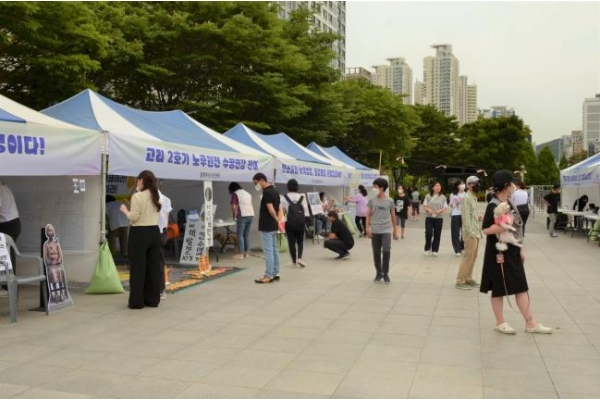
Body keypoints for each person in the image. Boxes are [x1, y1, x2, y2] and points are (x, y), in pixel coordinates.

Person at [480, 170, 552, 335]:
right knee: (498, 287)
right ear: (506, 185)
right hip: (498, 251)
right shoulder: (493, 205)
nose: (513, 186)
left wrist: (520, 248)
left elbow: (517, 229)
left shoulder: (509, 202)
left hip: (512, 249)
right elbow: (485, 229)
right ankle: (500, 322)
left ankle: (530, 322)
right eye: (511, 183)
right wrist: (503, 226)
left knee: (521, 286)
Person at [120, 170, 163, 309]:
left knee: (138, 268)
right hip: (154, 231)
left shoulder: (137, 196)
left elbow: (133, 217)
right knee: (153, 267)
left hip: (139, 232)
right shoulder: (156, 195)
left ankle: (137, 301)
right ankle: (152, 299)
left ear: (142, 180)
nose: (137, 183)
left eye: (137, 180)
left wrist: (124, 210)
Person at [366, 177, 399, 283]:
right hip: (375, 230)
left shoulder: (390, 201)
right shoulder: (372, 200)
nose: (373, 188)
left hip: (386, 230)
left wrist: (395, 230)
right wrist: (367, 228)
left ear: (382, 188)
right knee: (376, 253)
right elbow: (368, 215)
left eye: (375, 186)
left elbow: (393, 216)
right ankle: (378, 272)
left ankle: (385, 272)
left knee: (386, 251)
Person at [252, 172, 281, 284]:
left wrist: (276, 219)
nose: (256, 185)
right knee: (274, 250)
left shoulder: (267, 192)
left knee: (268, 252)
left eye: (256, 183)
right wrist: (278, 221)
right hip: (273, 226)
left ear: (261, 180)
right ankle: (275, 272)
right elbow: (279, 208)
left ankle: (269, 275)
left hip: (266, 226)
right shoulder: (275, 191)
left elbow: (271, 210)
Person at [455, 176, 483, 290]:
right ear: (468, 185)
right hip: (470, 233)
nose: (477, 185)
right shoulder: (466, 198)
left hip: (476, 231)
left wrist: (478, 216)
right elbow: (465, 218)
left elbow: (472, 214)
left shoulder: (473, 197)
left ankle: (468, 277)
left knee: (473, 256)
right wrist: (470, 233)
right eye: (475, 183)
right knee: (468, 256)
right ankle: (460, 280)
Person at [281, 178, 309, 268]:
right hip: (300, 222)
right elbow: (306, 212)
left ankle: (294, 262)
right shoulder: (302, 197)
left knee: (291, 242)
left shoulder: (284, 197)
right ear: (297, 186)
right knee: (300, 241)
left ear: (288, 187)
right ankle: (300, 258)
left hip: (289, 223)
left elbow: (283, 211)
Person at [228, 182, 254, 260]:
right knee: (246, 234)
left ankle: (241, 254)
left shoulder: (235, 194)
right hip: (251, 214)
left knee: (240, 235)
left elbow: (233, 205)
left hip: (242, 215)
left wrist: (234, 215)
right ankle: (247, 253)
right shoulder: (247, 193)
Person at [0, 181, 21, 276]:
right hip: (13, 223)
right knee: (9, 253)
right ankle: (11, 280)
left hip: (7, 225)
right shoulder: (4, 187)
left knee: (5, 254)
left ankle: (7, 280)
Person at [423, 181, 448, 256]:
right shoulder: (428, 196)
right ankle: (427, 248)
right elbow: (424, 205)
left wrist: (439, 211)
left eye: (439, 186)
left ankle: (435, 250)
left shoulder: (443, 197)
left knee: (437, 234)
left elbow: (445, 207)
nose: (438, 187)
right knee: (429, 233)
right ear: (432, 187)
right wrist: (429, 210)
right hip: (429, 217)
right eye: (436, 186)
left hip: (439, 218)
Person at [43, 224, 66, 302]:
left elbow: (60, 253)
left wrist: (59, 259)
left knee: (60, 273)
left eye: (51, 230)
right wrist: (50, 262)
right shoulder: (46, 245)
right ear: (47, 232)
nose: (50, 232)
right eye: (49, 230)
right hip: (51, 265)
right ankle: (55, 294)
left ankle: (61, 293)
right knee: (53, 274)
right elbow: (45, 257)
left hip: (58, 264)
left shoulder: (56, 243)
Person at [158, 190, 173, 300]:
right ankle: (160, 290)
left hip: (156, 231)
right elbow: (166, 221)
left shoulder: (155, 199)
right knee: (159, 261)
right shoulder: (166, 199)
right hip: (162, 232)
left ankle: (160, 290)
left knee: (157, 261)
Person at [449, 180, 466, 256]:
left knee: (464, 232)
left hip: (465, 215)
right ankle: (457, 250)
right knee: (455, 233)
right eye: (461, 184)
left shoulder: (466, 194)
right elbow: (451, 205)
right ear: (457, 186)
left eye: (463, 184)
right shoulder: (453, 194)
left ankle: (462, 247)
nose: (463, 185)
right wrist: (457, 202)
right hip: (456, 214)